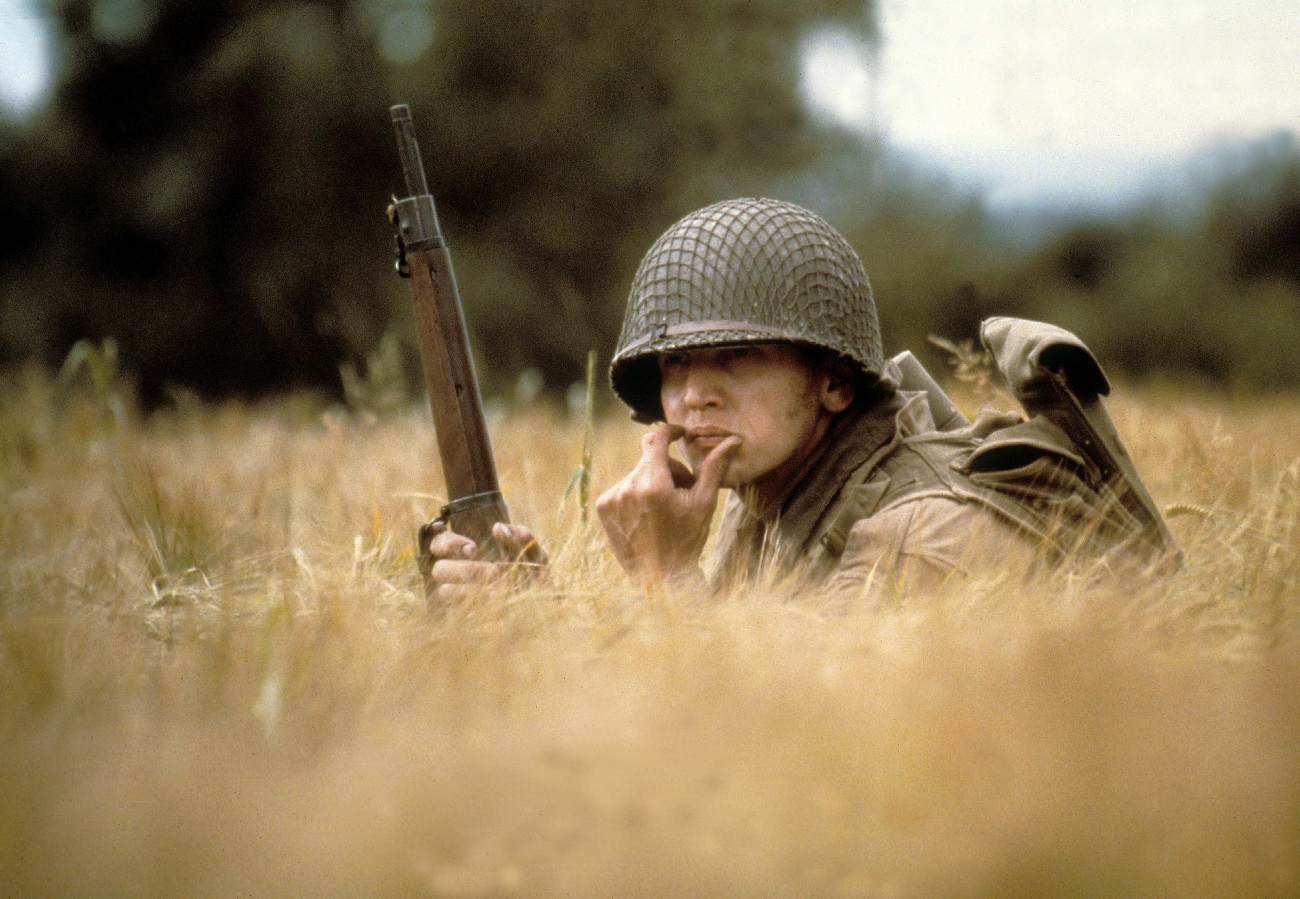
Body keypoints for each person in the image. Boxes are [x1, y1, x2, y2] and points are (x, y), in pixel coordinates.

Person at [420, 198, 1129, 604]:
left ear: (834, 383)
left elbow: (773, 757)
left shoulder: (919, 535)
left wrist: (668, 576)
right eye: (675, 363)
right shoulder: (762, 498)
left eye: (738, 357)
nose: (693, 395)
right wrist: (528, 611)